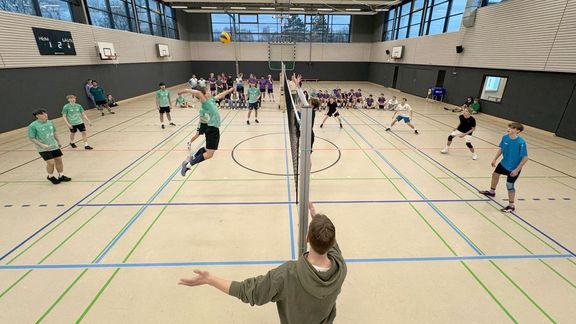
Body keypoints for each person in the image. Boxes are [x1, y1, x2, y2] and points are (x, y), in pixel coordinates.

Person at [178, 202, 347, 324]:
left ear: (307, 238)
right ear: (331, 244)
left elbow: (247, 291)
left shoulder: (286, 275)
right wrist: (315, 216)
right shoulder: (341, 268)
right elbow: (332, 244)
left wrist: (210, 279)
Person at [179, 86, 235, 176]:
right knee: (209, 154)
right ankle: (188, 165)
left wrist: (229, 90)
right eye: (207, 91)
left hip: (213, 129)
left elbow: (220, 95)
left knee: (206, 149)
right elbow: (198, 93)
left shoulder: (211, 100)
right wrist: (185, 90)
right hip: (212, 129)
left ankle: (191, 158)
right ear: (204, 94)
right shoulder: (205, 102)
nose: (209, 92)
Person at [479, 122, 528, 212]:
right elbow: (501, 149)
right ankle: (492, 192)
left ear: (518, 131)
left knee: (509, 185)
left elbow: (525, 158)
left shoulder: (521, 142)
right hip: (504, 163)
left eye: (512, 128)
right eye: (509, 127)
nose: (509, 129)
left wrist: (517, 170)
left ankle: (511, 206)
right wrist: (495, 159)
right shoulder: (505, 137)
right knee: (495, 174)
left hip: (514, 168)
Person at [28, 109, 72, 184]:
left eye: (45, 113)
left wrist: (58, 141)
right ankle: (50, 176)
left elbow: (54, 132)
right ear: (37, 116)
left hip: (54, 145)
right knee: (51, 163)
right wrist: (43, 145)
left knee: (58, 159)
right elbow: (31, 138)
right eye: (42, 114)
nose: (45, 115)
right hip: (43, 148)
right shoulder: (33, 126)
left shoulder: (50, 122)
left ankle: (61, 175)